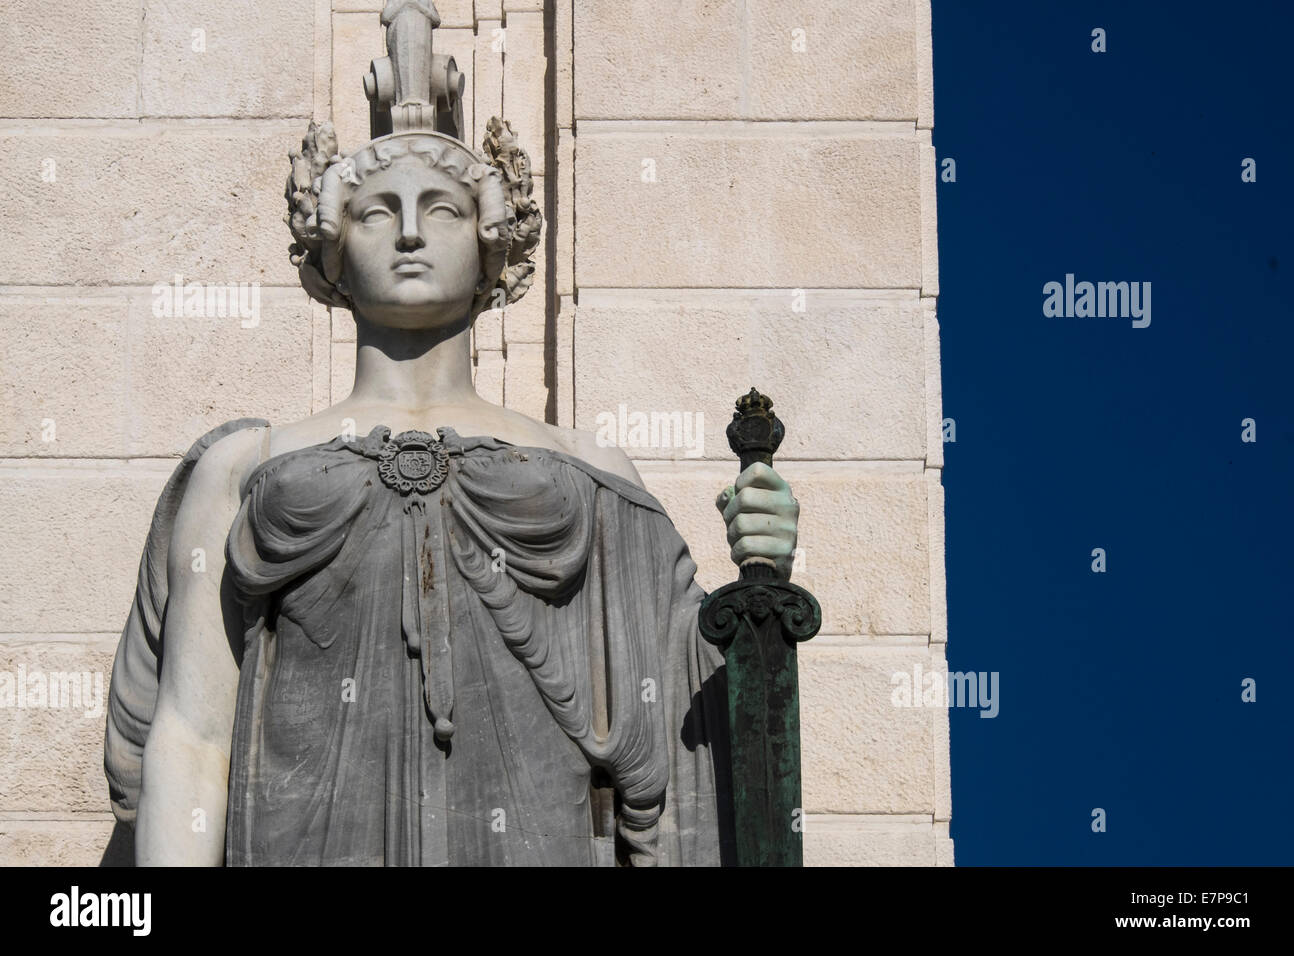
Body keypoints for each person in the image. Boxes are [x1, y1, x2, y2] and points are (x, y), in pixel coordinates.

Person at [105, 10, 800, 867]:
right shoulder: (243, 467)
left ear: (491, 240)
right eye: (373, 212)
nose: (406, 232)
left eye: (439, 208)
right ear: (327, 245)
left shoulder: (587, 470)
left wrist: (759, 580)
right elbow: (193, 732)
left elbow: (680, 722)